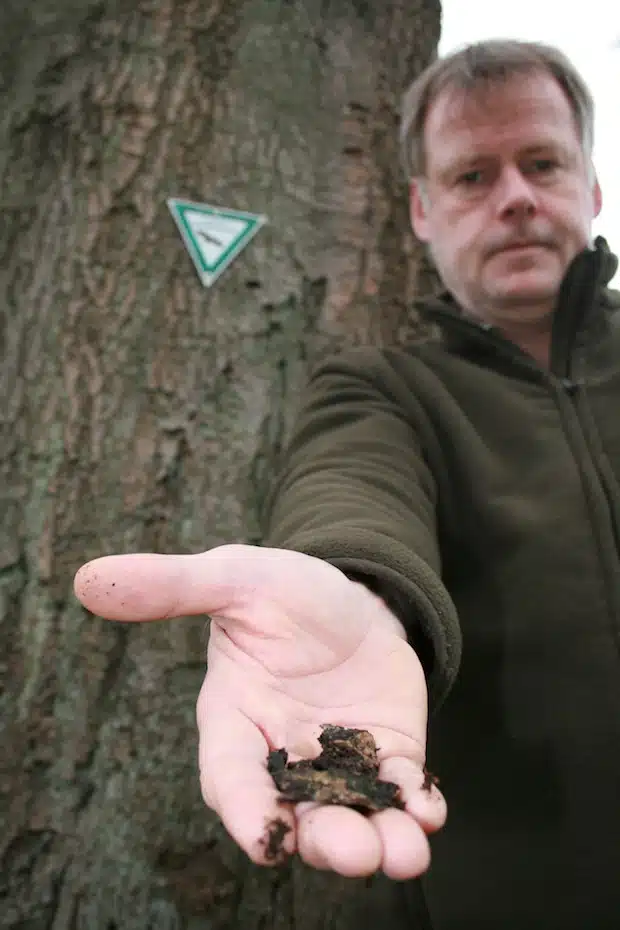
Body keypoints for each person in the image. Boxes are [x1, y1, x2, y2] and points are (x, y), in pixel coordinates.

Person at [74, 39, 620, 929]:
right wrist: (352, 582)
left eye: (543, 163)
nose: (515, 196)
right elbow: (352, 478)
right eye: (472, 175)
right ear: (422, 209)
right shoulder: (381, 387)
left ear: (591, 186)